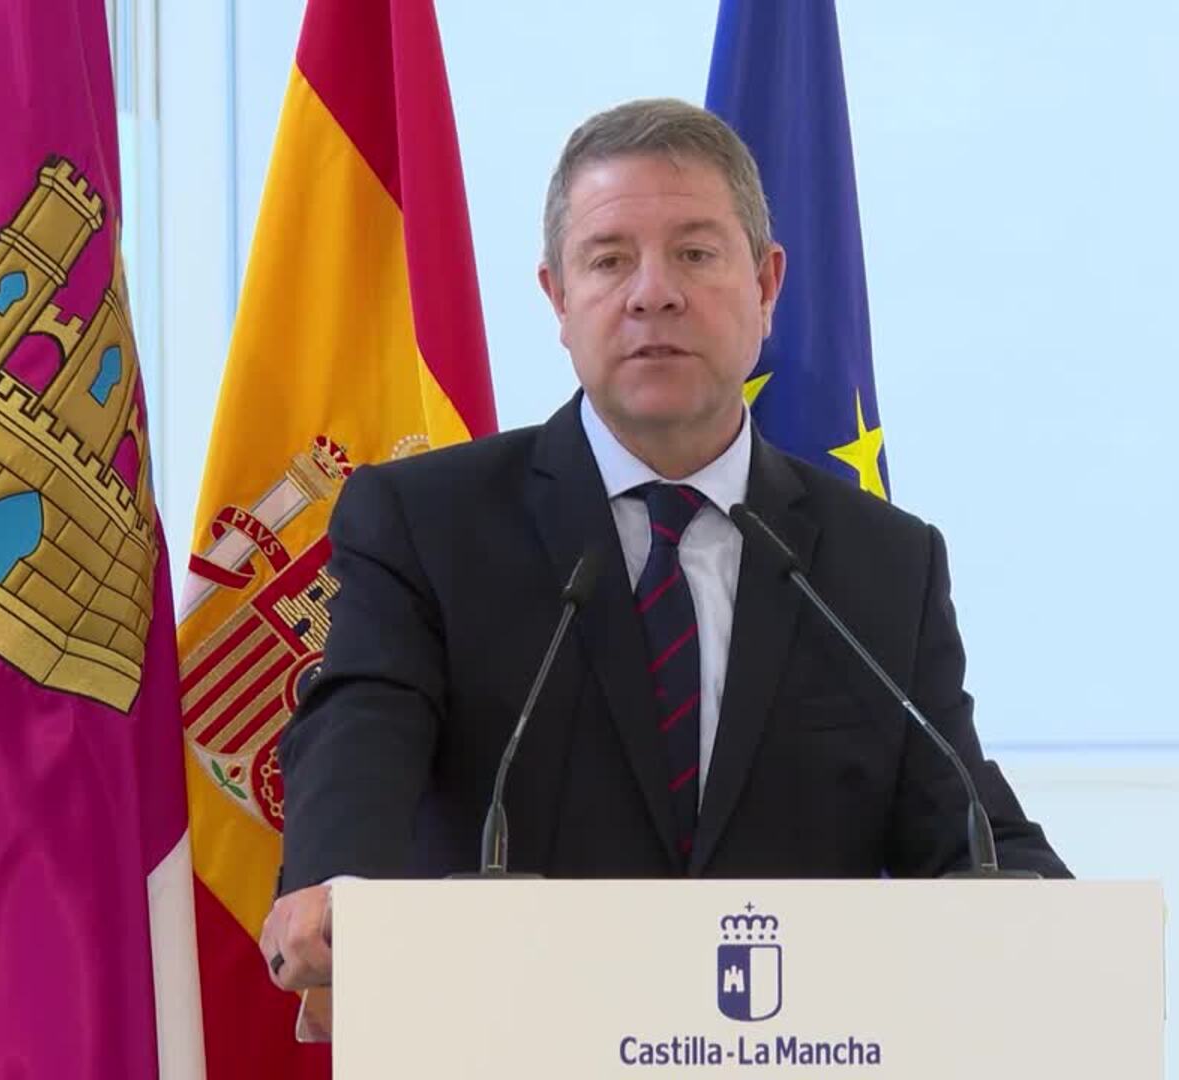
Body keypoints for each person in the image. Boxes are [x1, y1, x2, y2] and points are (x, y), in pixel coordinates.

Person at [260, 98, 1068, 1015]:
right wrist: (335, 879)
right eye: (609, 260)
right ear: (558, 299)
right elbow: (364, 720)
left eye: (694, 254)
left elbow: (964, 826)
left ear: (766, 284)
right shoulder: (429, 521)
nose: (654, 294)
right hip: (515, 1031)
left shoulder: (881, 562)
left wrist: (1071, 936)